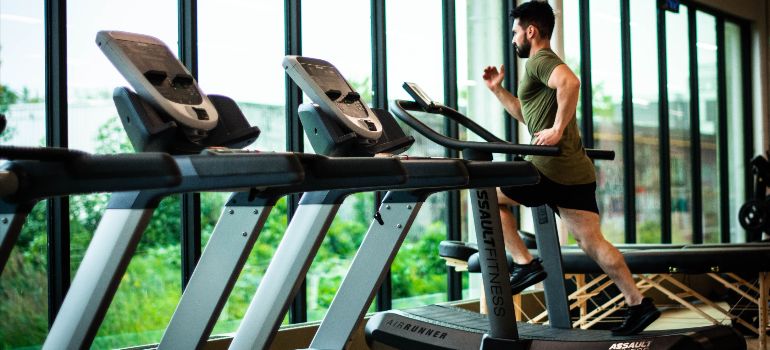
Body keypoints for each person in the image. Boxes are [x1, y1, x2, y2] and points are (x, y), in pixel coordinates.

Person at [482, 0, 660, 336]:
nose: (513, 39)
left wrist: (558, 130)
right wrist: (498, 91)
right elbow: (528, 115)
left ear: (530, 31)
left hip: (547, 168)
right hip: (575, 171)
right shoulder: (539, 67)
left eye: (515, 32)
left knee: (487, 195)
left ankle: (525, 264)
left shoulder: (541, 61)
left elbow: (571, 84)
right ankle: (638, 303)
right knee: (592, 242)